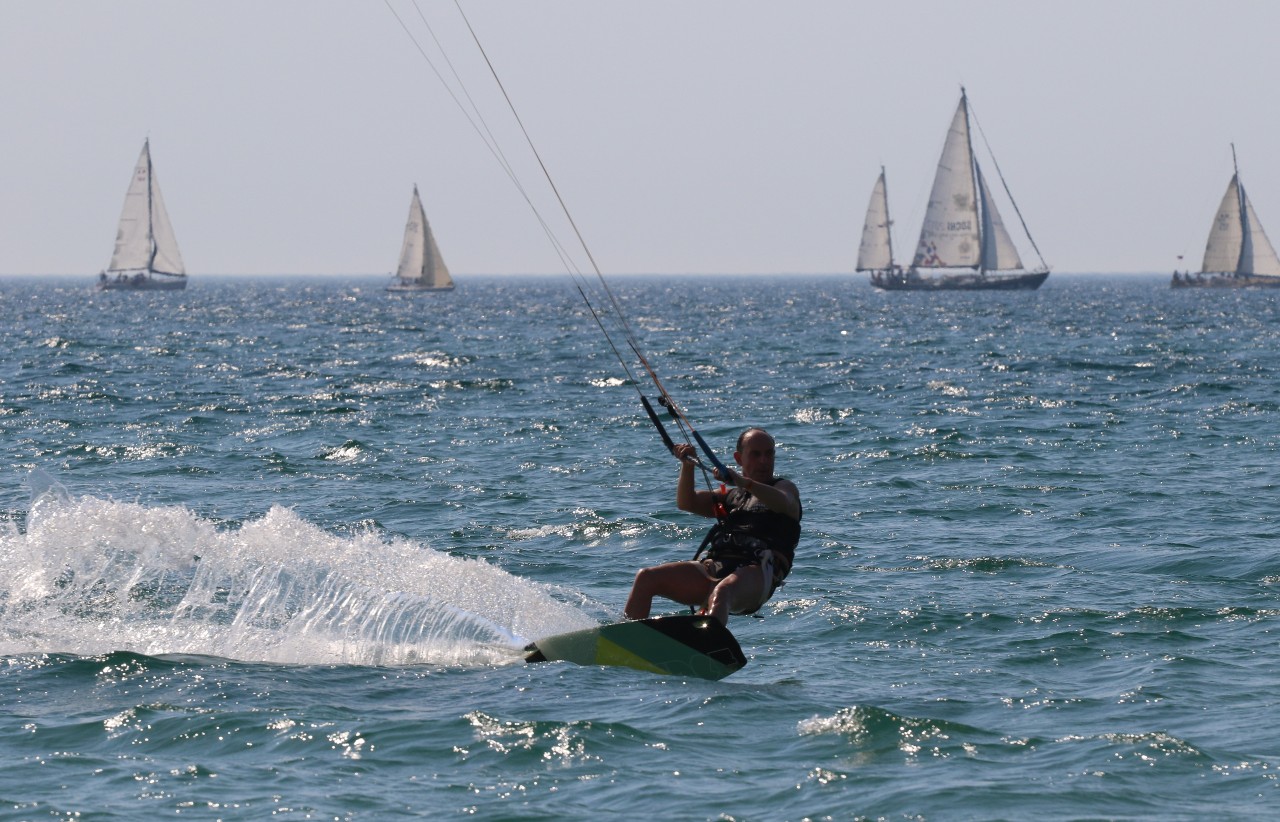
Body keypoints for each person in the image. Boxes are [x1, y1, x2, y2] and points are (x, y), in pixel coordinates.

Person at [624, 428, 801, 626]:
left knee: (723, 592)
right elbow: (687, 502)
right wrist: (687, 465)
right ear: (739, 458)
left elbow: (785, 503)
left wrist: (744, 482)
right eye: (756, 454)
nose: (763, 461)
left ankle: (705, 648)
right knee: (646, 577)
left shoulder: (784, 488)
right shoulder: (732, 496)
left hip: (757, 573)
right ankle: (625, 643)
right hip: (715, 567)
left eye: (769, 454)